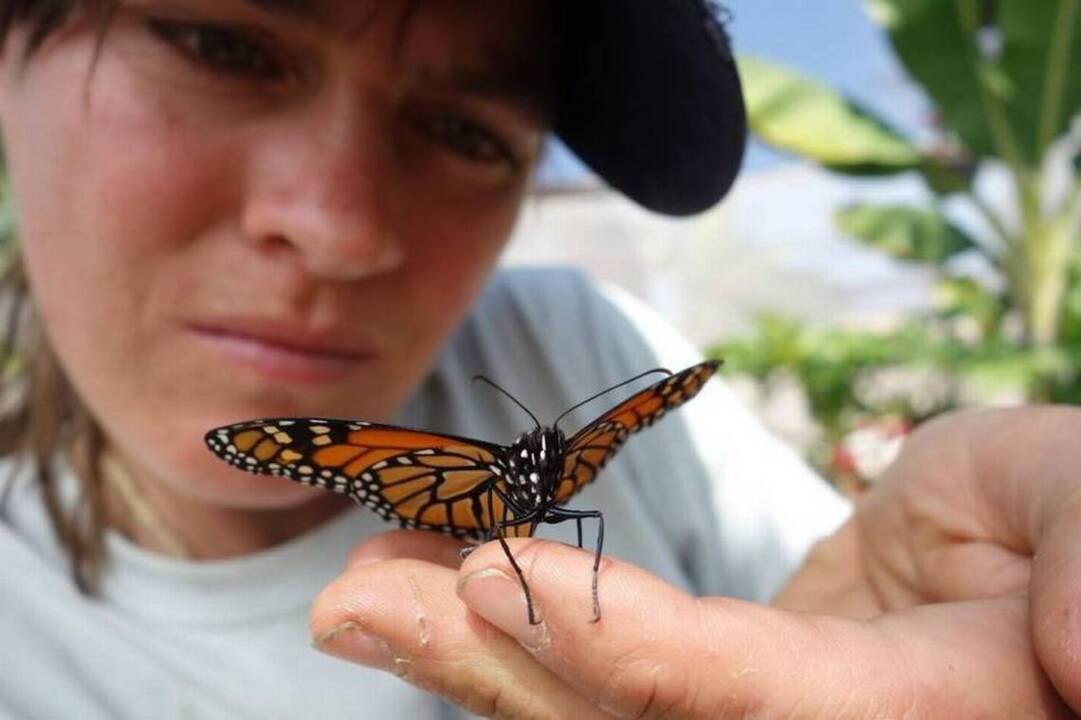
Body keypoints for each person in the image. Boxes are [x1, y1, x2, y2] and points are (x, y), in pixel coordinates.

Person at [0, 1, 1077, 718]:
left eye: (468, 132)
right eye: (219, 43)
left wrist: (865, 606)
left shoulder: (581, 340)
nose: (335, 226)